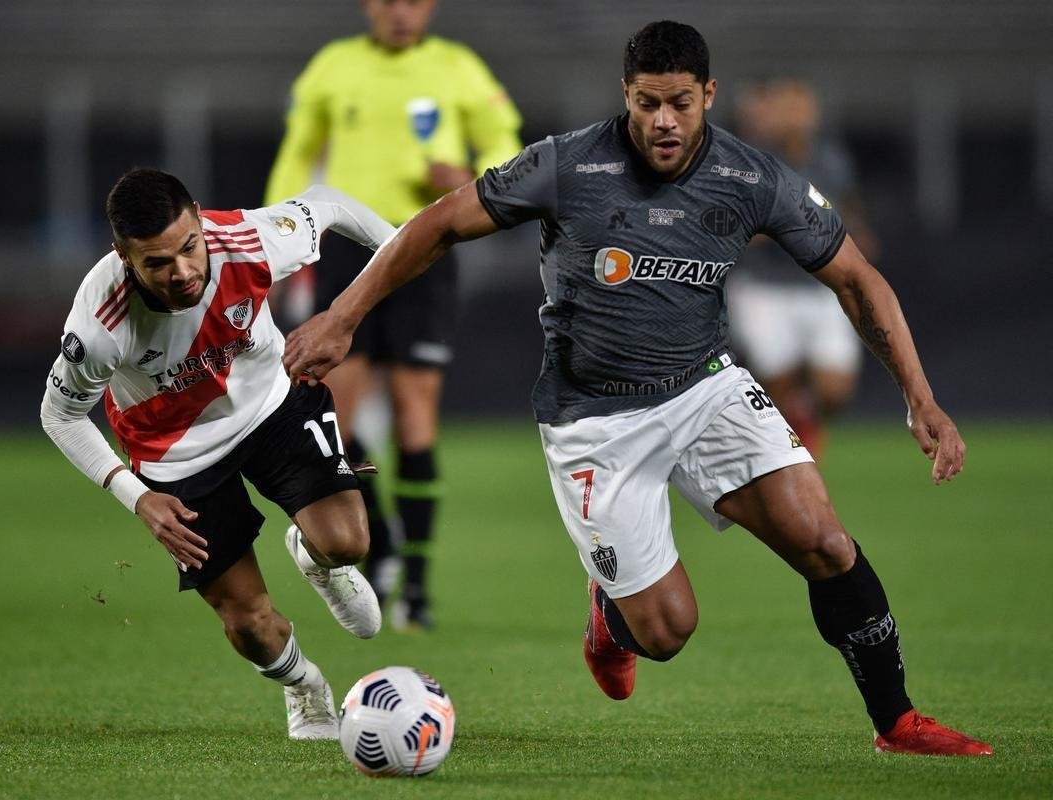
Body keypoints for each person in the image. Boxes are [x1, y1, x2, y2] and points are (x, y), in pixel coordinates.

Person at [281, 22, 993, 756]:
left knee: (825, 541)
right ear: (626, 94)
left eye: (681, 103)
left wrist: (920, 394)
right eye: (647, 102)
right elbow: (437, 224)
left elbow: (856, 278)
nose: (663, 121)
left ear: (708, 95)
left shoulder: (753, 177)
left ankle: (897, 722)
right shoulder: (565, 166)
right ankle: (611, 616)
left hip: (705, 388)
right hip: (595, 422)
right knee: (667, 632)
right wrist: (343, 315)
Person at [40, 168, 393, 740]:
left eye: (188, 247)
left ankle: (314, 556)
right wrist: (138, 498)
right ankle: (305, 687)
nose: (181, 272)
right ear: (123, 257)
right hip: (175, 457)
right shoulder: (99, 327)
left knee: (347, 541)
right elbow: (59, 414)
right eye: (156, 263)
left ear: (201, 220)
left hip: (271, 403)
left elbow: (327, 203)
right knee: (249, 624)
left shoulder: (248, 240)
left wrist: (394, 245)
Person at [263, 0, 523, 628]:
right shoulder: (333, 67)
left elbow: (506, 150)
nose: (401, 11)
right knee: (339, 422)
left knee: (415, 418)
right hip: (347, 255)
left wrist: (468, 174)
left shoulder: (459, 68)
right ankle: (379, 553)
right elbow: (298, 156)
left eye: (413, 0)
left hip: (425, 251)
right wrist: (271, 243)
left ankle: (417, 590)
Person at [727, 78, 879, 458]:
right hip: (766, 286)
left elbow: (848, 206)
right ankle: (784, 454)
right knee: (776, 381)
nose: (796, 118)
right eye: (787, 109)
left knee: (836, 389)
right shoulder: (753, 161)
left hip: (820, 285)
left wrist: (859, 232)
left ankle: (804, 421)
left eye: (802, 109)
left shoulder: (830, 159)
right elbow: (736, 224)